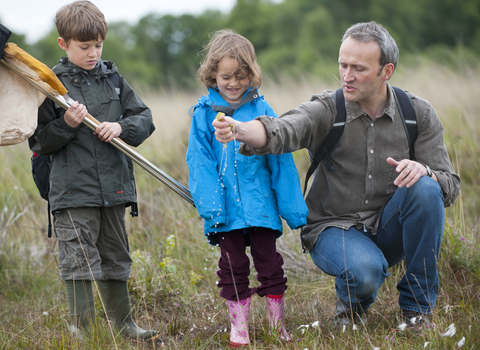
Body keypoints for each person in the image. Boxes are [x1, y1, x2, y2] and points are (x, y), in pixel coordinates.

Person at [213, 21, 461, 330]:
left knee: (425, 187)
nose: (346, 75)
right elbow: (286, 127)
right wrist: (242, 130)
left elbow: (449, 186)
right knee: (365, 271)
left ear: (387, 71)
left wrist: (425, 171)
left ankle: (416, 313)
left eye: (358, 68)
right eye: (342, 65)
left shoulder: (417, 114)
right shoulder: (329, 109)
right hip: (333, 229)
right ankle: (351, 307)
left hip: (388, 228)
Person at [28, 1, 157, 340]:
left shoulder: (114, 80)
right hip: (73, 192)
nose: (92, 53)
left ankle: (125, 326)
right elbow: (37, 143)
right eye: (84, 47)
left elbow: (145, 119)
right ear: (63, 44)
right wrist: (67, 125)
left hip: (114, 188)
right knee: (79, 260)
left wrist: (121, 127)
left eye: (98, 45)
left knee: (116, 258)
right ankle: (82, 331)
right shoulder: (50, 87)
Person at [186, 29, 308, 346]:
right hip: (225, 212)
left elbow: (282, 163)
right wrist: (212, 208)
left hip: (261, 208)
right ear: (213, 74)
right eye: (227, 76)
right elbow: (200, 163)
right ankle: (239, 329)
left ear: (251, 73)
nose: (234, 83)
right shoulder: (203, 115)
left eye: (241, 76)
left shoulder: (264, 111)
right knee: (233, 266)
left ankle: (275, 326)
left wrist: (292, 209)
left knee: (270, 264)